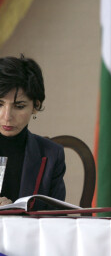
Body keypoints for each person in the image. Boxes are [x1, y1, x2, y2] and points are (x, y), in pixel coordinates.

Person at [0, 54, 66, 210]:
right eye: (0, 104)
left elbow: (57, 217)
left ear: (35, 106)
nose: (7, 116)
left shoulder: (52, 154)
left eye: (19, 106)